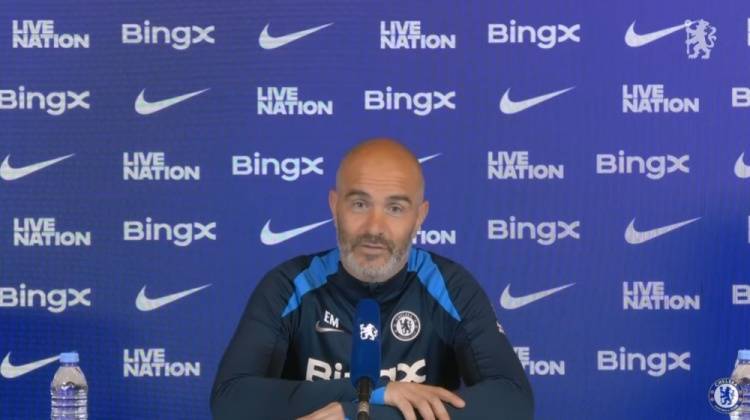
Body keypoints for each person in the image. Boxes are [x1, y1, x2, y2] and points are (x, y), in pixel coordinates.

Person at [211, 138, 533, 420]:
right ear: (334, 206)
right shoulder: (290, 285)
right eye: (360, 204)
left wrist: (364, 414)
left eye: (395, 208)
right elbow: (230, 399)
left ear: (419, 216)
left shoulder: (449, 286)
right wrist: (375, 391)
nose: (374, 227)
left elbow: (513, 400)